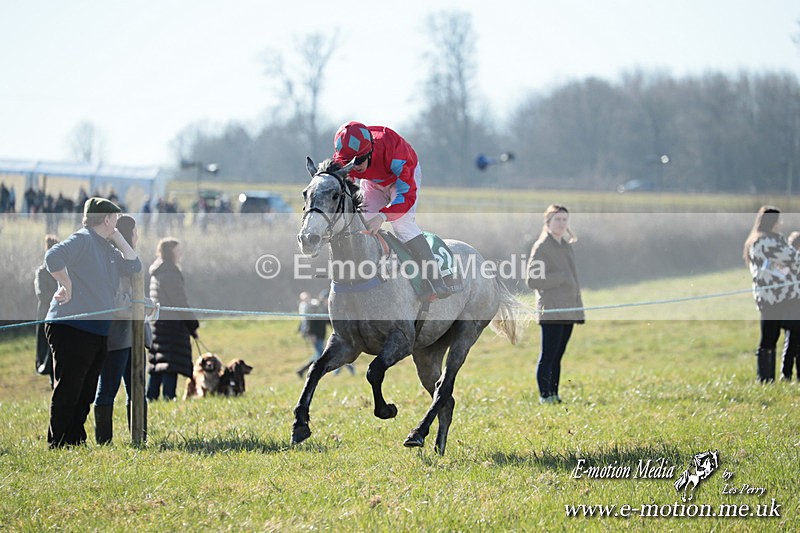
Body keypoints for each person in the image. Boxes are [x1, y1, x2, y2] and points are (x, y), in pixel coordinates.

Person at [43, 197, 141, 447]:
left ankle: (75, 440)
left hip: (97, 330)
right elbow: (53, 257)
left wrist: (119, 239)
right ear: (107, 219)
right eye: (115, 219)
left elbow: (134, 265)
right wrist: (67, 284)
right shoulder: (83, 238)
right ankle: (59, 443)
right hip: (72, 326)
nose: (117, 223)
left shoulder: (107, 248)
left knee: (85, 391)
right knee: (70, 389)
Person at [331, 121, 453, 299]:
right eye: (349, 162)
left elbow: (406, 195)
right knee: (361, 223)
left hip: (401, 181)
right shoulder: (344, 157)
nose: (354, 166)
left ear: (370, 151)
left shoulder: (395, 152)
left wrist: (383, 215)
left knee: (401, 223)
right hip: (373, 183)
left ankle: (435, 280)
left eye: (358, 161)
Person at [93, 215, 148, 444]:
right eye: (135, 230)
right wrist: (138, 305)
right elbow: (114, 299)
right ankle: (104, 441)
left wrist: (146, 303)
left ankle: (139, 437)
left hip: (133, 334)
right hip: (116, 335)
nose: (137, 234)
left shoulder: (131, 259)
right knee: (108, 389)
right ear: (129, 233)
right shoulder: (113, 261)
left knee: (137, 389)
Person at [526, 204, 585, 404]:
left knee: (558, 354)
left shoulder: (566, 245)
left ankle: (554, 394)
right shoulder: (542, 246)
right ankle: (544, 396)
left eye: (564, 220)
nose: (561, 223)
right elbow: (532, 280)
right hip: (551, 309)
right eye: (557, 220)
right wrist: (559, 278)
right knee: (548, 354)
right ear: (548, 223)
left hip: (568, 308)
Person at [744, 206, 800, 383]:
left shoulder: (767, 241)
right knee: (772, 337)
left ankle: (770, 379)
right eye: (779, 220)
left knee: (772, 337)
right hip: (779, 297)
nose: (781, 223)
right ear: (773, 222)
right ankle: (768, 379)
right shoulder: (766, 243)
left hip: (776, 297)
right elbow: (795, 260)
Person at [147, 237, 199, 400]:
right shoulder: (170, 273)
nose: (180, 253)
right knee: (170, 363)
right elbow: (180, 302)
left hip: (158, 323)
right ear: (170, 253)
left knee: (158, 363)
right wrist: (192, 324)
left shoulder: (157, 271)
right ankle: (169, 396)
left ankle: (151, 396)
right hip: (172, 325)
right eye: (177, 250)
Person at [296, 289, 354, 377]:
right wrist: (311, 334)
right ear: (324, 299)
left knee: (319, 355)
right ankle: (343, 369)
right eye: (328, 299)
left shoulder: (325, 308)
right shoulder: (316, 307)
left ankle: (302, 371)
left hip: (321, 335)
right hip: (315, 335)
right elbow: (310, 321)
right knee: (322, 355)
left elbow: (329, 321)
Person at [34, 234, 60, 388]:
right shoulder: (42, 272)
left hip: (59, 312)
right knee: (46, 346)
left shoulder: (61, 270)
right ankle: (50, 375)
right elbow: (42, 294)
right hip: (45, 313)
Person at [781, 231, 800, 381]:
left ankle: (790, 374)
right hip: (793, 306)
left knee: (794, 342)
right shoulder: (792, 262)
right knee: (793, 341)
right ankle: (786, 374)